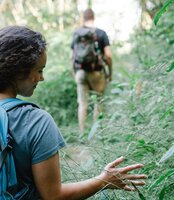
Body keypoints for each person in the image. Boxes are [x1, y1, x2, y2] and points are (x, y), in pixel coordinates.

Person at [0, 25, 147, 199]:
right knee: (95, 103)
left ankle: (84, 129)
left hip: (80, 75)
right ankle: (88, 132)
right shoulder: (36, 121)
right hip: (95, 72)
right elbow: (53, 196)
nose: (42, 78)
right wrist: (104, 180)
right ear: (19, 70)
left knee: (82, 103)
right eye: (39, 70)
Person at [71, 8, 112, 133]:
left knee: (82, 104)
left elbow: (71, 57)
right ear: (93, 17)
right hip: (96, 73)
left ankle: (83, 134)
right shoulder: (101, 33)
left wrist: (74, 73)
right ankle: (97, 133)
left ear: (83, 18)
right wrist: (110, 72)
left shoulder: (77, 34)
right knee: (98, 103)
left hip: (80, 72)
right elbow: (109, 56)